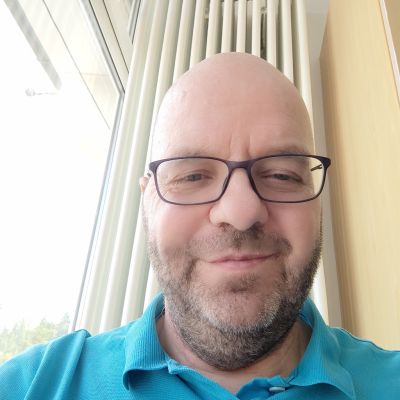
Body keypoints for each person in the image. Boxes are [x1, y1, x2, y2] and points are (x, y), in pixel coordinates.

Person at [1, 53, 399, 399]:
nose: (241, 212)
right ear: (147, 201)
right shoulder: (31, 386)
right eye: (192, 176)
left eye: (282, 174)